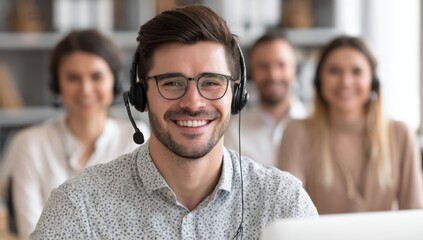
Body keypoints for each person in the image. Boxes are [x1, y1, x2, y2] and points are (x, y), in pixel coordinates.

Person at [31, 5, 318, 239]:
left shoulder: (283, 203)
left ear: (236, 93)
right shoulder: (79, 207)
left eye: (211, 82)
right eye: (171, 83)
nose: (193, 103)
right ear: (141, 95)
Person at [0, 29, 150, 239]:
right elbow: (32, 233)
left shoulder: (135, 138)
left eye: (96, 76)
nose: (85, 90)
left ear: (115, 82)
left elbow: (140, 226)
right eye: (73, 78)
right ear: (57, 85)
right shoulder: (29, 144)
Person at [277, 35, 423, 214]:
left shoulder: (400, 134)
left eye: (356, 71)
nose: (345, 81)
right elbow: (287, 211)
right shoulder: (297, 132)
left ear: (373, 82)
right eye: (334, 71)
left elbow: (415, 214)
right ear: (318, 80)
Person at [225, 31, 307, 167]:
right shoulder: (234, 132)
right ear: (251, 73)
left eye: (281, 65)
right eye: (263, 66)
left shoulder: (316, 127)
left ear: (295, 69)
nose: (273, 75)